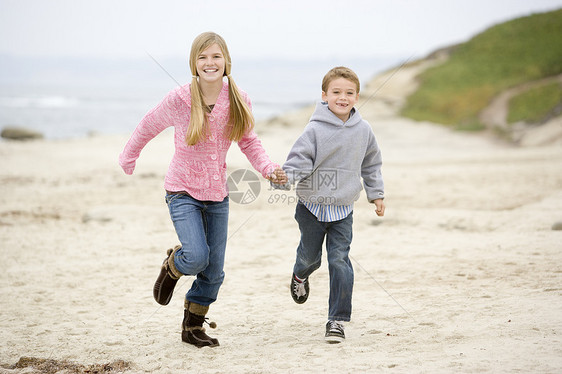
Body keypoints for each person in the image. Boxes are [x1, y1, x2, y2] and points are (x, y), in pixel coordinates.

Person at [119, 31, 287, 348]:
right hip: (182, 192)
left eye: (215, 56)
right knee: (196, 257)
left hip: (217, 197)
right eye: (202, 57)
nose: (210, 63)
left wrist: (267, 169)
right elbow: (148, 125)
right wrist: (129, 157)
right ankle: (173, 265)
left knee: (214, 271)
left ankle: (192, 328)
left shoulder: (238, 98)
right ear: (194, 63)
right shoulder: (180, 98)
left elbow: (249, 141)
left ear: (226, 62)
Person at [278, 66, 385, 343]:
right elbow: (299, 160)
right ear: (324, 96)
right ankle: (300, 275)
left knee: (339, 261)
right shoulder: (314, 129)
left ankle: (336, 320)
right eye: (336, 92)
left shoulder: (363, 130)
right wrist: (285, 178)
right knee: (309, 258)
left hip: (343, 210)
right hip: (311, 207)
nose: (343, 97)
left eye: (349, 93)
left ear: (357, 97)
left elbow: (371, 163)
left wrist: (376, 194)